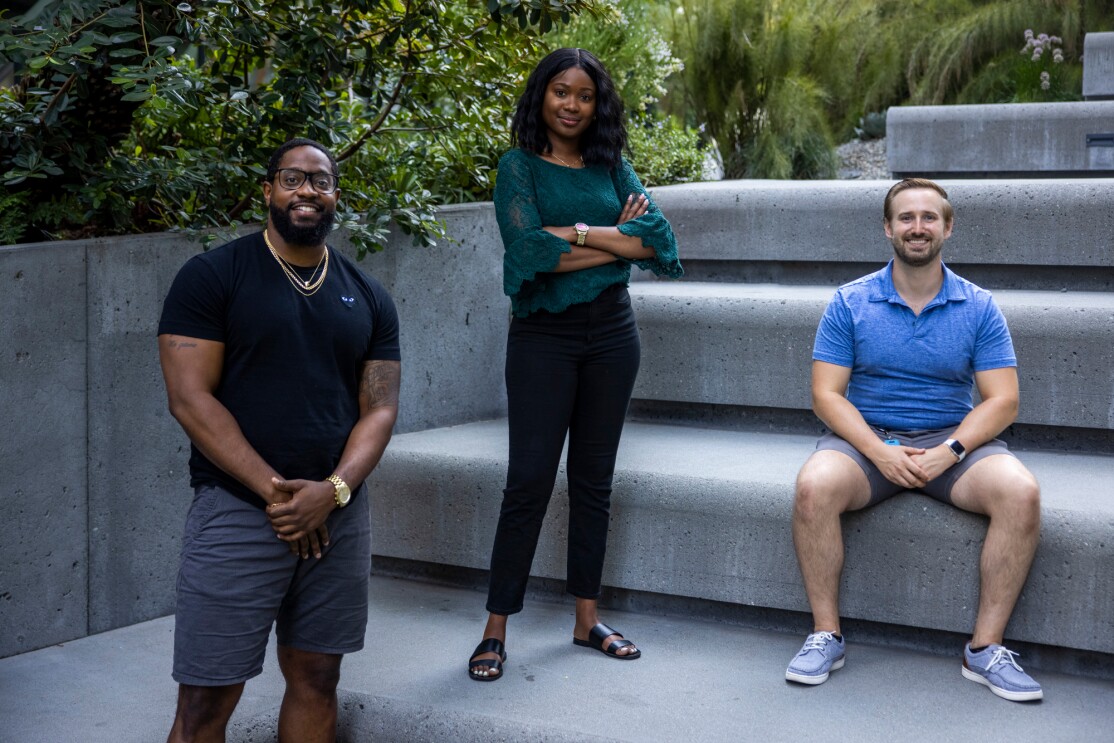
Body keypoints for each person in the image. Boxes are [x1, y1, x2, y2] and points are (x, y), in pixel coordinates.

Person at [157, 138, 402, 741]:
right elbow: (190, 399)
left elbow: (380, 408)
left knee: (318, 678)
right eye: (292, 179)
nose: (307, 191)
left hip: (337, 520)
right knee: (203, 706)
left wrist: (334, 491)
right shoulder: (212, 276)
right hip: (239, 512)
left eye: (320, 181)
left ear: (336, 197)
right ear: (267, 192)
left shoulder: (367, 294)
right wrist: (283, 495)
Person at [467, 48, 683, 681]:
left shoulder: (612, 165)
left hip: (613, 336)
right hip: (543, 341)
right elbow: (528, 253)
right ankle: (495, 628)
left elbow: (658, 241)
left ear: (598, 106)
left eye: (584, 96)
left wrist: (573, 236)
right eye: (560, 91)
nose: (571, 104)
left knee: (594, 481)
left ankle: (587, 620)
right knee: (528, 482)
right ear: (542, 96)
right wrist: (610, 241)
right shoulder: (518, 168)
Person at [785, 178, 1043, 702]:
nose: (917, 227)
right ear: (887, 228)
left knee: (1022, 493)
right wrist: (879, 451)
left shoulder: (979, 306)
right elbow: (826, 395)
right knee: (814, 486)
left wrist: (950, 451)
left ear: (948, 227)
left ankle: (984, 650)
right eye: (906, 217)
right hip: (868, 441)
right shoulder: (850, 301)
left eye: (929, 217)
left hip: (951, 441)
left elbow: (1002, 401)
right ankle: (825, 635)